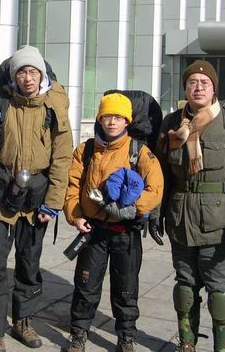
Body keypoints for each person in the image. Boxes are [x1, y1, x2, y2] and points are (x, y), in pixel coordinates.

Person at [0, 45, 73, 352]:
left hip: (36, 202)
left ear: (42, 75)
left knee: (29, 266)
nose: (28, 78)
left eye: (33, 71)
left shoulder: (53, 109)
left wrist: (53, 203)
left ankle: (23, 321)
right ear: (13, 76)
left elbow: (62, 157)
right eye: (22, 72)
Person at [155, 60, 225, 352]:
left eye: (204, 83)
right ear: (185, 88)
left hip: (218, 223)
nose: (197, 88)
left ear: (214, 89)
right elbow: (160, 173)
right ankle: (186, 344)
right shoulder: (172, 124)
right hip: (180, 219)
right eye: (192, 83)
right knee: (185, 288)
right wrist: (155, 212)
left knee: (219, 292)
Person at [63, 93, 163, 352]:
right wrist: (76, 216)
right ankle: (78, 333)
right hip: (93, 231)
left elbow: (155, 188)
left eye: (118, 117)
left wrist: (131, 210)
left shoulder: (139, 152)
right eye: (107, 116)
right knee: (86, 286)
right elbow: (72, 186)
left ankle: (126, 337)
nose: (112, 122)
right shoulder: (85, 150)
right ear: (99, 118)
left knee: (126, 288)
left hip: (125, 234)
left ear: (127, 121)